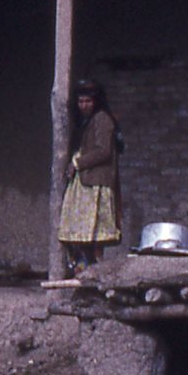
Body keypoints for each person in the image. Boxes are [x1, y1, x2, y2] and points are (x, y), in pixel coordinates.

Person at [58, 80, 123, 273]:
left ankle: (95, 270)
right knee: (81, 234)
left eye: (88, 101)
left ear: (96, 101)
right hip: (85, 181)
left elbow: (104, 151)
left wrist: (77, 163)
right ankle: (84, 269)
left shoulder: (102, 119)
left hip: (95, 183)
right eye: (80, 101)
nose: (84, 105)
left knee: (93, 233)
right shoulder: (86, 122)